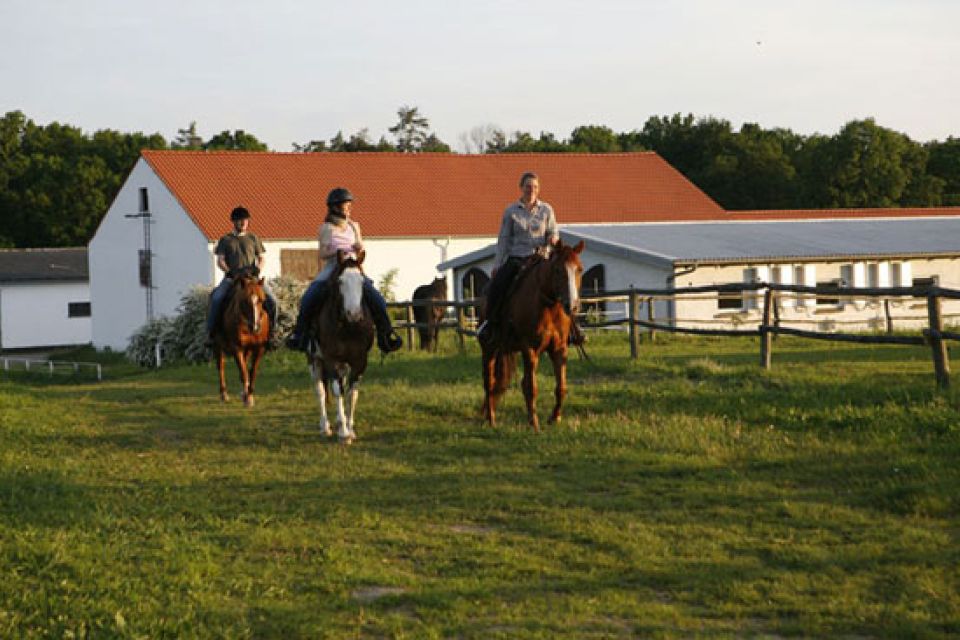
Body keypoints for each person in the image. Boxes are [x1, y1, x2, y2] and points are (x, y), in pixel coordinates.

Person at [285, 188, 403, 354]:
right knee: (309, 297)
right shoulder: (326, 228)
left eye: (349, 205)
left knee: (377, 298)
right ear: (335, 207)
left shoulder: (354, 226)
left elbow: (360, 250)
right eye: (345, 205)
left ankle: (387, 334)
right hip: (334, 267)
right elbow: (323, 253)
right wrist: (337, 252)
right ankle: (299, 335)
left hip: (353, 267)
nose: (349, 208)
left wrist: (359, 248)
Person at [478, 171, 585, 346]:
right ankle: (490, 324)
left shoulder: (547, 210)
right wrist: (498, 264)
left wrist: (553, 240)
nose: (531, 190)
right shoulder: (511, 211)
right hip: (517, 258)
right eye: (528, 186)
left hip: (541, 258)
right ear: (521, 188)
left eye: (535, 187)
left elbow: (553, 231)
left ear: (539, 189)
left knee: (562, 282)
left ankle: (573, 328)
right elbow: (504, 240)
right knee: (497, 286)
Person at [205, 206, 278, 345]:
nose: (243, 223)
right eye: (240, 221)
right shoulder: (225, 240)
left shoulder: (253, 238)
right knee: (216, 298)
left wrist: (258, 269)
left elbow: (262, 257)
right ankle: (211, 333)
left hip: (252, 279)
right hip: (232, 278)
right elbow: (220, 260)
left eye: (245, 220)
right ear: (233, 222)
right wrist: (228, 271)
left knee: (272, 300)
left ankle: (272, 332)